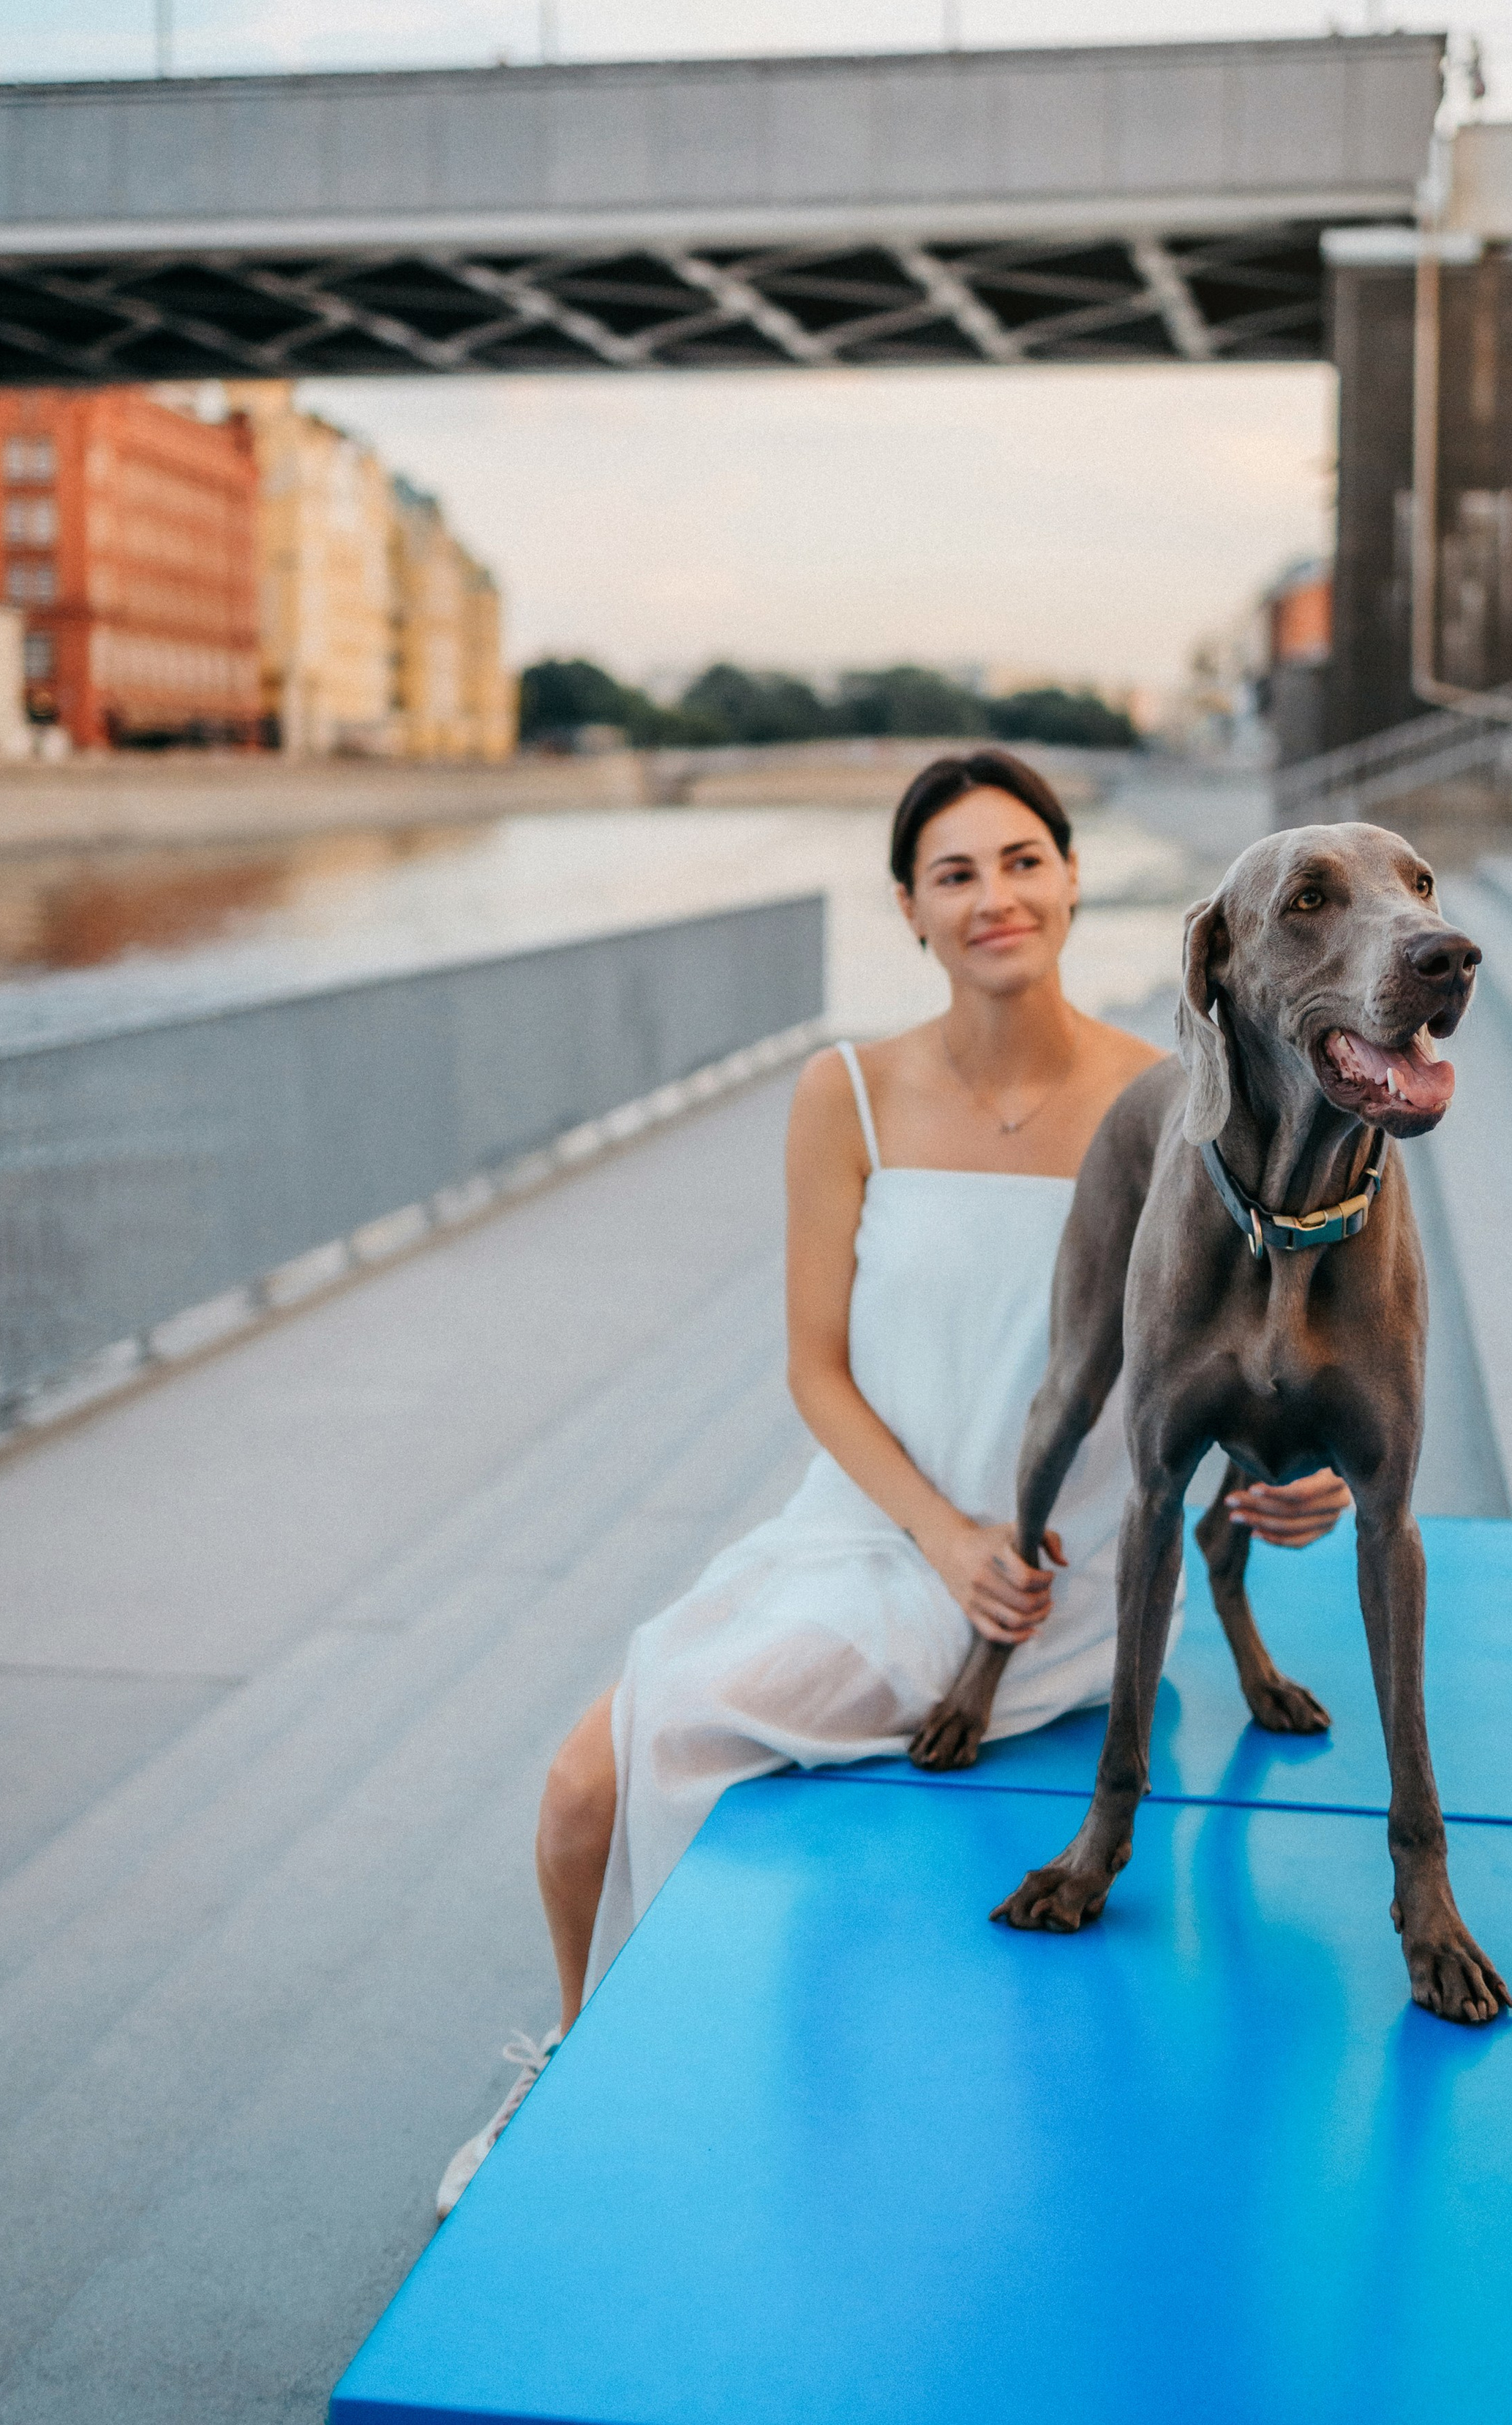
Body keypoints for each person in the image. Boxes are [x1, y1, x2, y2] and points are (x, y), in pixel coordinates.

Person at [437, 749, 1351, 2214]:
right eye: (954, 874)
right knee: (571, 1792)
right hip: (872, 1532)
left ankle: (633, 2120)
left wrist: (1294, 1484)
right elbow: (813, 1367)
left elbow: (1249, 1359)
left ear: (1065, 880)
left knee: (655, 1732)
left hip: (1038, 1588)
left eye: (1021, 861)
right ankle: (579, 2053)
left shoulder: (1182, 1102)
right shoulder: (842, 1095)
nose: (995, 896)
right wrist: (930, 1533)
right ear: (909, 914)